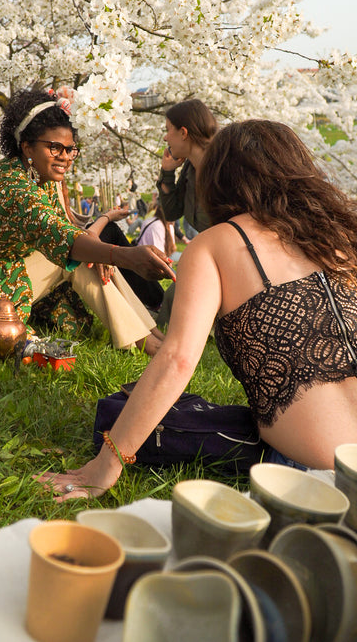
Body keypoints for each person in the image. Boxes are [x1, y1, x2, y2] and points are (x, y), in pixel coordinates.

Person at [39, 119, 357, 501]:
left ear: (220, 178)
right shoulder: (342, 236)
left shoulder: (216, 244)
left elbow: (177, 359)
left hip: (322, 478)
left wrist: (105, 466)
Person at [0, 89, 174, 354]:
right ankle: (147, 343)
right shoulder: (13, 187)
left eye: (70, 149)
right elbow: (62, 237)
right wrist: (125, 256)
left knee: (90, 257)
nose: (65, 157)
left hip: (0, 271)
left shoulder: (42, 178)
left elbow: (68, 230)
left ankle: (151, 332)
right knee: (82, 259)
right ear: (27, 146)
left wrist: (106, 248)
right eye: (55, 147)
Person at [155, 99, 218, 325]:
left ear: (183, 132)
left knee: (180, 293)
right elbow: (171, 212)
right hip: (209, 254)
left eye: (168, 130)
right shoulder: (191, 167)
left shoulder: (227, 166)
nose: (165, 138)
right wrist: (167, 173)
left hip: (231, 257)